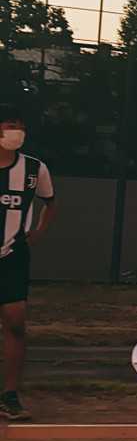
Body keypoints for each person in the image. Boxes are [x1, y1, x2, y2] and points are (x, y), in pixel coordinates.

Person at [0, 106, 55, 420]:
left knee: (16, 323)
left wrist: (40, 230)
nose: (16, 132)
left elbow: (50, 201)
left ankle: (9, 395)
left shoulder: (34, 169)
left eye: (20, 126)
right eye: (10, 125)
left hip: (13, 255)